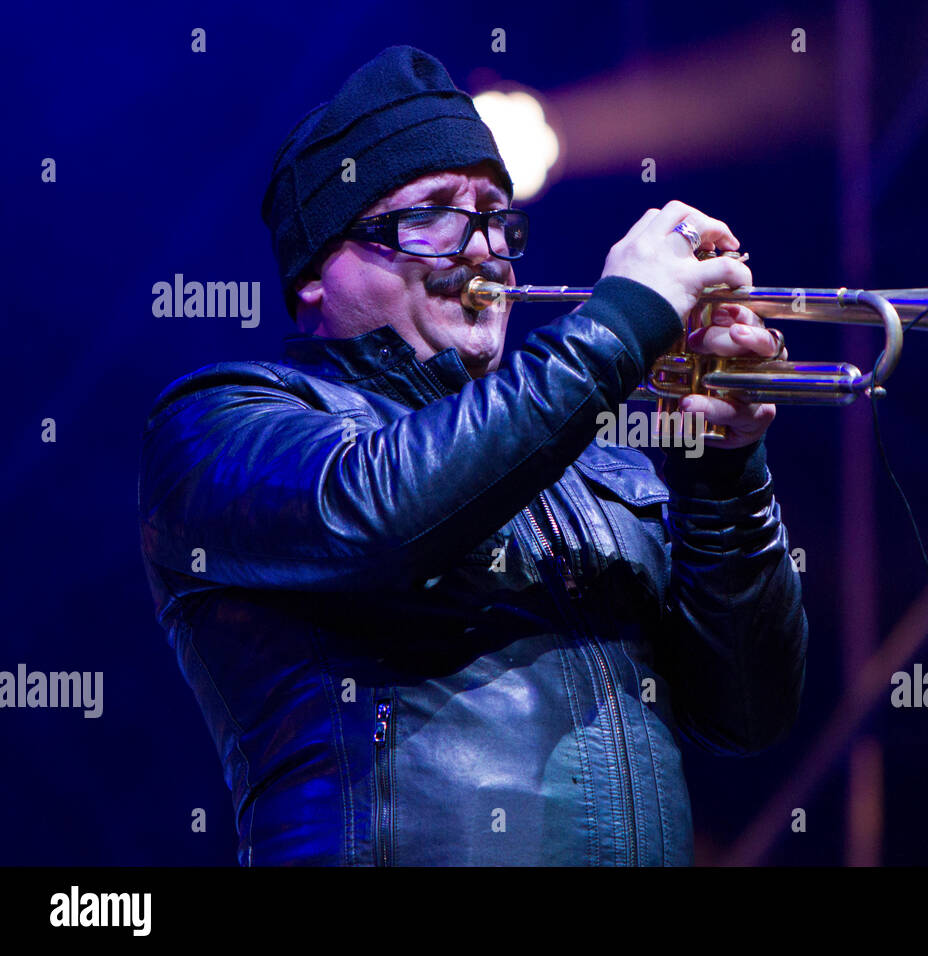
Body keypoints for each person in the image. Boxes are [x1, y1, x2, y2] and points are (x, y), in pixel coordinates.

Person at [137, 45, 807, 866]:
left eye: (495, 214)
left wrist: (722, 476)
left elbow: (747, 711)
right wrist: (622, 320)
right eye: (431, 215)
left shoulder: (597, 466)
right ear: (317, 271)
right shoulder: (219, 422)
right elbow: (382, 514)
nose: (484, 249)